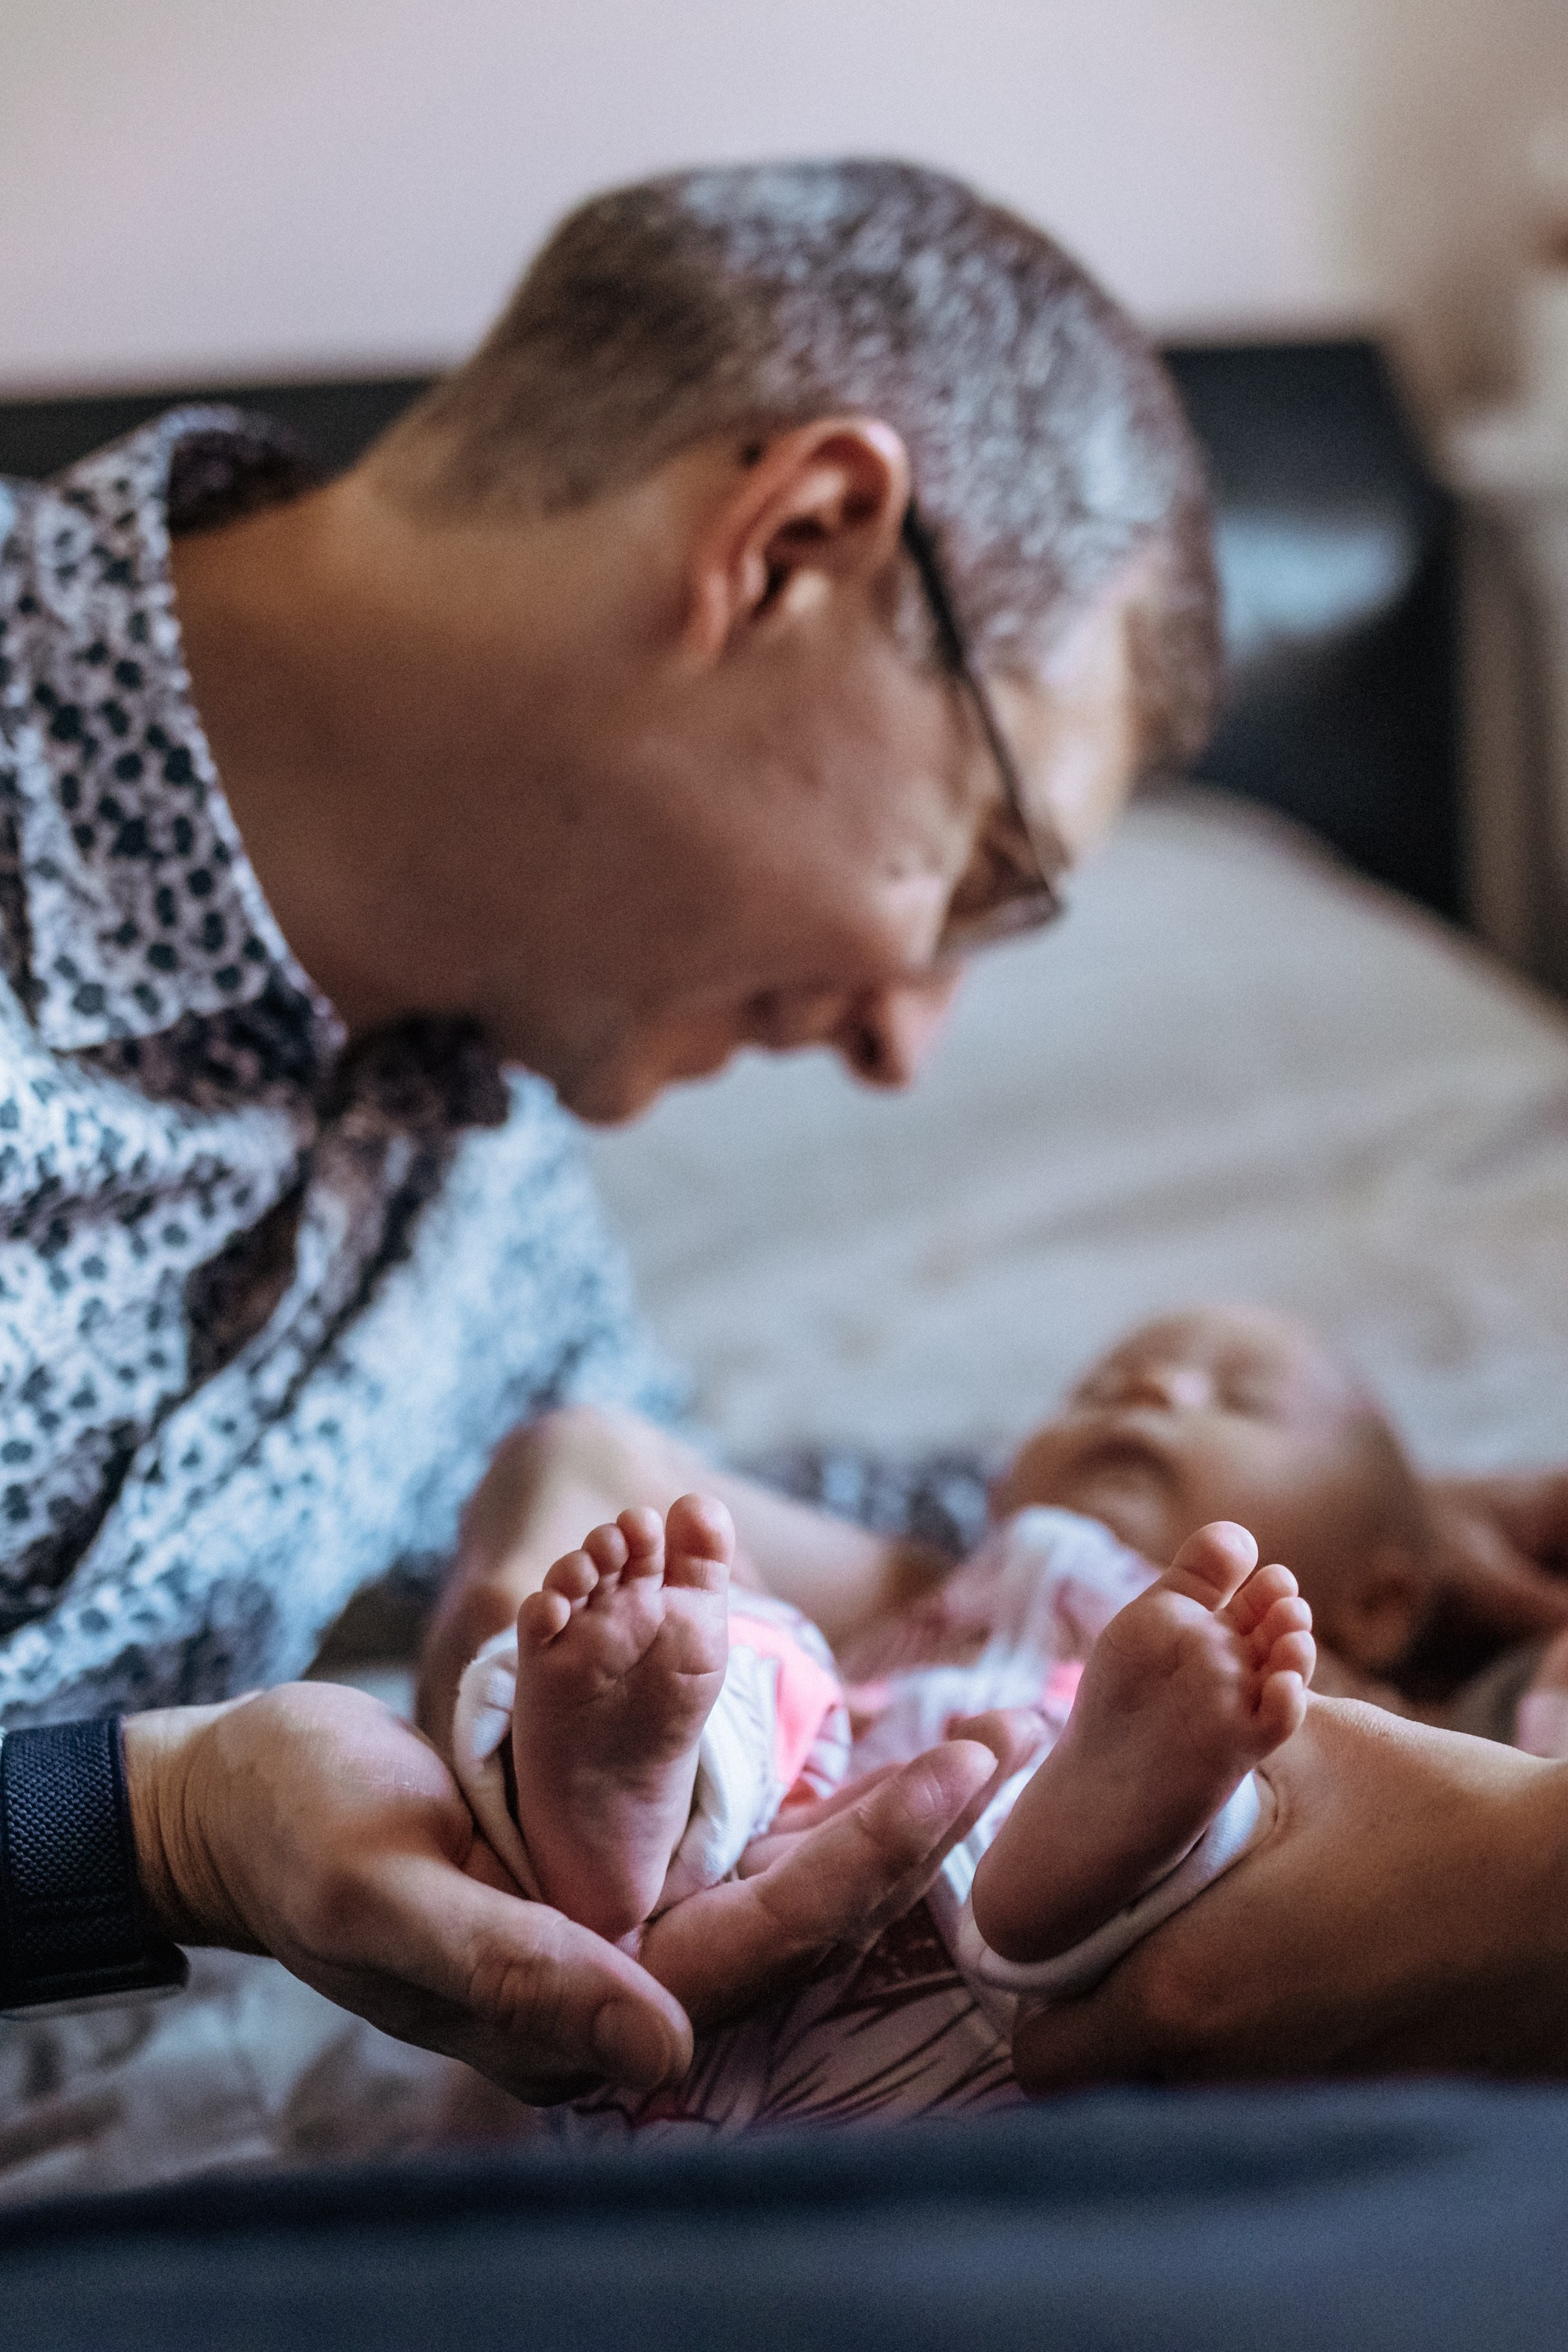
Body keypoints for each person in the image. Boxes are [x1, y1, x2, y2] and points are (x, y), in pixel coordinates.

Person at [0, 160, 1217, 2084]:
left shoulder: (472, 1148)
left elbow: (671, 1509)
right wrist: (145, 1830)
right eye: (978, 878)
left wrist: (1231, 1506)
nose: (910, 1041)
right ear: (796, 542)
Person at [429, 1302, 1567, 2122]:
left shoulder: (1327, 1688)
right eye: (1092, 1390)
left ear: (1379, 1598)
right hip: (713, 1965)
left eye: (1242, 1402)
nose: (1148, 1391)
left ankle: (1088, 1851)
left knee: (1278, 1815)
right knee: (747, 1652)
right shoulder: (943, 1589)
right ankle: (626, 1811)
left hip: (1043, 2031)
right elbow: (598, 1466)